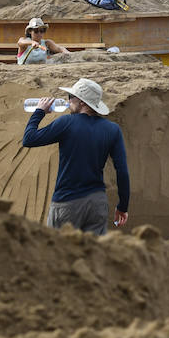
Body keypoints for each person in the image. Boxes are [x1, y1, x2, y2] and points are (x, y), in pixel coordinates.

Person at [21, 78, 129, 234]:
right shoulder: (113, 129)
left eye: (71, 97)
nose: (68, 101)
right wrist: (122, 206)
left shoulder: (66, 122)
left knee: (60, 254)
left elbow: (29, 139)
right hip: (97, 203)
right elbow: (122, 171)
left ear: (82, 102)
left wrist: (39, 112)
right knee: (93, 255)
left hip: (67, 201)